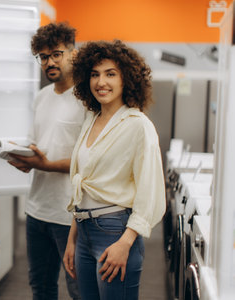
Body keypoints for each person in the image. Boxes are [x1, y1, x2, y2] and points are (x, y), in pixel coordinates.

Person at [62, 40, 166, 300]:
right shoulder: (91, 119)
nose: (101, 82)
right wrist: (72, 239)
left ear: (126, 79)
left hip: (116, 231)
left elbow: (149, 192)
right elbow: (83, 185)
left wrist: (125, 243)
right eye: (95, 74)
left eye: (110, 74)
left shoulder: (138, 125)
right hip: (83, 230)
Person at [8, 22, 84, 300]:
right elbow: (38, 145)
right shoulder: (41, 97)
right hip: (36, 210)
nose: (49, 62)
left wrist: (45, 164)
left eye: (56, 54)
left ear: (72, 53)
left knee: (79, 290)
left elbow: (88, 162)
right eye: (43, 56)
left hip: (69, 215)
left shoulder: (87, 99)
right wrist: (24, 157)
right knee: (41, 287)